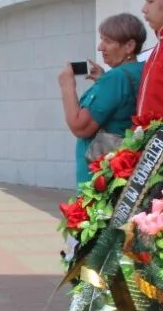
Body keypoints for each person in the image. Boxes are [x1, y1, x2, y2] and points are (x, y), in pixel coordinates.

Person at [58, 13, 146, 183]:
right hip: (127, 169)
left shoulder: (115, 78)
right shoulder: (141, 70)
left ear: (129, 46)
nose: (100, 47)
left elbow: (80, 126)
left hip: (101, 176)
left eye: (108, 41)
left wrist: (67, 85)